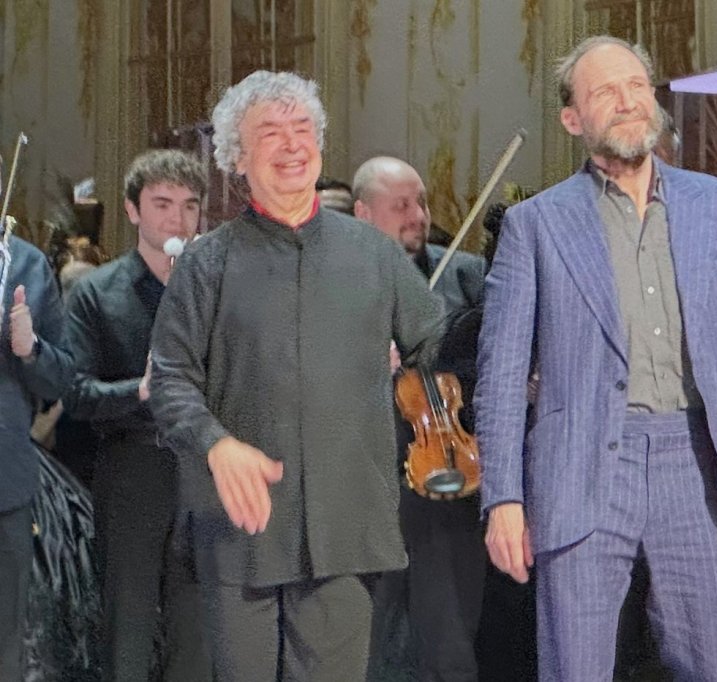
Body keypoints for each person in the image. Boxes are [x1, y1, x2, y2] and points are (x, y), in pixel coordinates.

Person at [474, 35, 717, 681]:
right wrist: (502, 497)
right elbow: (502, 378)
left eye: (636, 86)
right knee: (576, 669)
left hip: (699, 465)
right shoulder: (535, 224)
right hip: (581, 466)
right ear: (573, 119)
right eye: (605, 92)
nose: (626, 101)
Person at [148, 71, 444, 681]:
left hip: (346, 522)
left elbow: (435, 344)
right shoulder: (206, 262)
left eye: (302, 128)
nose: (291, 144)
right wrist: (216, 445)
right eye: (270, 133)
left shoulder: (375, 253)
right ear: (237, 157)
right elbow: (171, 380)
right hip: (242, 528)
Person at [63, 149, 213, 681]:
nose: (177, 219)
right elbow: (77, 394)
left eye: (189, 206)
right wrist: (142, 391)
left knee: (197, 635)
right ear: (132, 210)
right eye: (162, 204)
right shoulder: (96, 293)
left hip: (203, 471)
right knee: (126, 629)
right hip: (132, 471)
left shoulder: (215, 288)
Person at [352, 156, 488, 682]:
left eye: (422, 203)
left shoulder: (465, 274)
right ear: (364, 214)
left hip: (447, 473)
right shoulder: (339, 280)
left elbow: (491, 362)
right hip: (367, 484)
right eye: (402, 205)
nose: (418, 216)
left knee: (451, 641)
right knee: (368, 643)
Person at [0, 229, 75, 681]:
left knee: (5, 640)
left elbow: (61, 378)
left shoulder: (27, 264)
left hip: (6, 483)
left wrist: (31, 351)